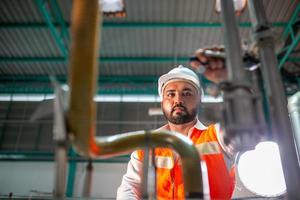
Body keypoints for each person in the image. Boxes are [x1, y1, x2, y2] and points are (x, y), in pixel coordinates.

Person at [117, 50, 235, 200]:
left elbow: (245, 124)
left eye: (186, 93)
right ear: (162, 102)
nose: (178, 100)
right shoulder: (146, 147)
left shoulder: (219, 138)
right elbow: (129, 189)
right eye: (170, 94)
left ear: (199, 100)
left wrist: (229, 83)